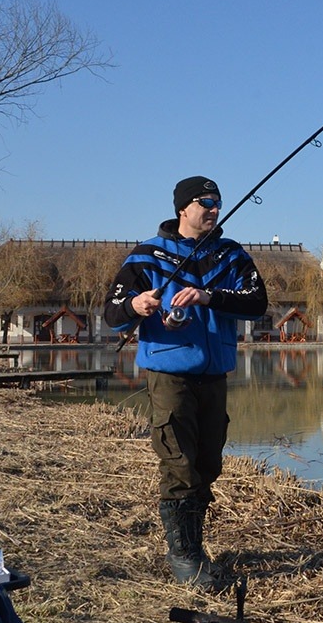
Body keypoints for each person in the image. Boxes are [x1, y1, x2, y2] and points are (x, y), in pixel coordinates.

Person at [104, 175, 268, 589]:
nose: (213, 209)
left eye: (217, 202)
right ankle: (185, 556)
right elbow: (112, 311)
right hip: (169, 372)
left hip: (215, 374)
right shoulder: (146, 256)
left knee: (208, 462)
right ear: (183, 208)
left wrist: (208, 296)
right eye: (205, 202)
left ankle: (194, 546)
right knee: (179, 462)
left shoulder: (232, 257)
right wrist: (136, 304)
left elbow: (257, 303)